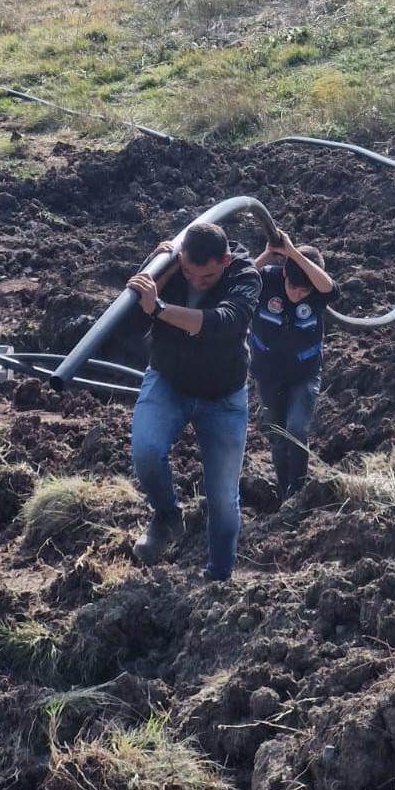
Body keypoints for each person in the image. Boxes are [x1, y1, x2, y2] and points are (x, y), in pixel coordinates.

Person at [126, 221, 261, 582]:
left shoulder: (245, 275)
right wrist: (162, 267)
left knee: (222, 502)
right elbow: (131, 317)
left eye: (208, 277)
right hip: (169, 381)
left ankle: (217, 578)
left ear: (226, 260)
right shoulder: (172, 264)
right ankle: (168, 516)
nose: (198, 282)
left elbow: (223, 322)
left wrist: (160, 309)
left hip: (223, 398)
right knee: (145, 451)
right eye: (189, 272)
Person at [250, 231, 338, 502]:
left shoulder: (317, 292)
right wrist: (268, 257)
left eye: (304, 291)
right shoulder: (267, 280)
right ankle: (284, 489)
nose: (298, 295)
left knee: (297, 429)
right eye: (292, 288)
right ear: (284, 275)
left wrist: (293, 252)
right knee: (277, 436)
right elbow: (235, 280)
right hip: (267, 374)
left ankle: (298, 492)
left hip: (304, 373)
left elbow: (330, 287)